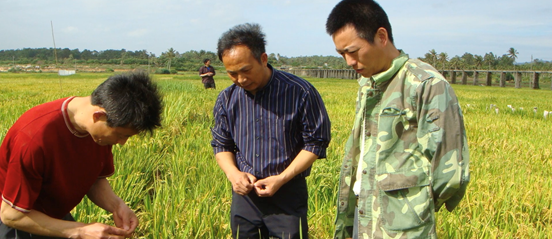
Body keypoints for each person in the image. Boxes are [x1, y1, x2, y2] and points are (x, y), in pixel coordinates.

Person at [325, 0, 470, 238]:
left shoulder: (425, 84)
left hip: (402, 229)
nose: (349, 62)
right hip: (361, 216)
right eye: (342, 54)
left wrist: (412, 207)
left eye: (352, 51)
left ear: (381, 36)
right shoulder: (367, 83)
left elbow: (450, 173)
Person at [0, 71, 163, 239]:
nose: (122, 143)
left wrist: (117, 206)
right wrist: (81, 231)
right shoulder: (34, 139)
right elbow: (11, 215)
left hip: (54, 215)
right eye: (122, 135)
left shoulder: (99, 133)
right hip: (19, 221)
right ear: (98, 116)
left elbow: (94, 180)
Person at [211, 23, 331, 239]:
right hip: (245, 196)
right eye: (232, 73)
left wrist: (282, 178)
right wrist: (234, 174)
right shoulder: (227, 99)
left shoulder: (300, 92)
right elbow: (222, 144)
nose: (241, 79)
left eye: (246, 70)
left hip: (287, 196)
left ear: (263, 59)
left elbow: (316, 143)